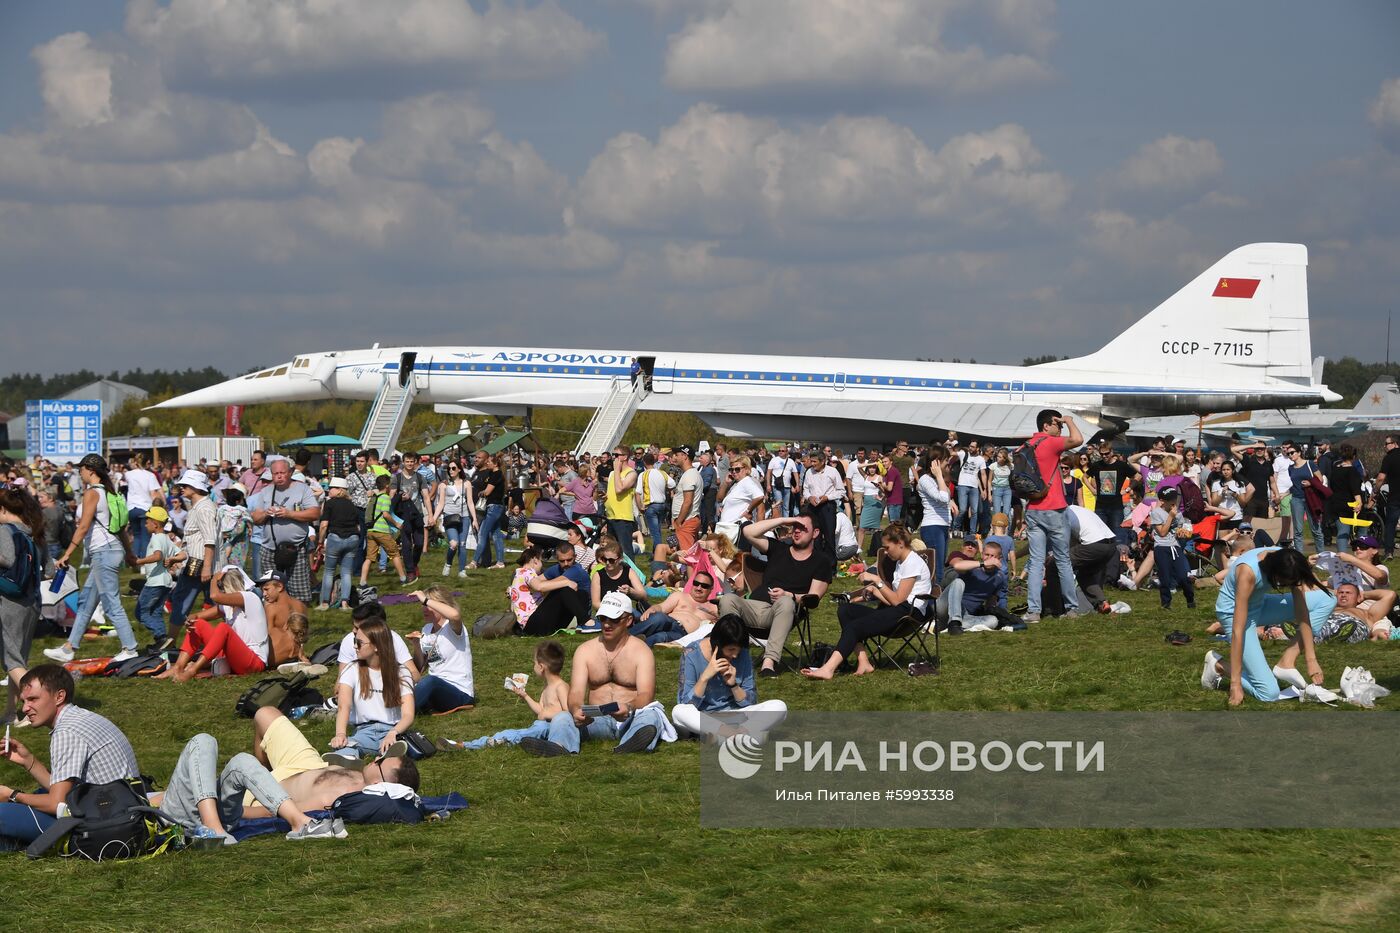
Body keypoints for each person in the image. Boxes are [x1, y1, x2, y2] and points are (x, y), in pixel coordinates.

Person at [0, 665, 142, 849]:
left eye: (33, 699)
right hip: (119, 810)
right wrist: (28, 760)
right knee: (36, 797)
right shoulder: (79, 718)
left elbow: (56, 803)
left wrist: (12, 795)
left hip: (103, 824)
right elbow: (61, 792)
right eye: (23, 701)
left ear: (59, 696)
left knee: (8, 810)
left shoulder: (67, 731)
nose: (25, 708)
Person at [520, 598, 669, 757]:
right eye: (603, 618)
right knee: (563, 716)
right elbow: (576, 692)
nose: (606, 624)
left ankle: (630, 744)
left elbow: (646, 694)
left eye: (614, 619)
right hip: (596, 719)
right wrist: (576, 709)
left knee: (651, 716)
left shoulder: (642, 651)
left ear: (629, 620)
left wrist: (629, 706)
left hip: (631, 716)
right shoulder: (585, 651)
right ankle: (559, 746)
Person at [153, 732, 346, 844]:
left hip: (222, 819)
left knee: (242, 761)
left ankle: (300, 823)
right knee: (203, 740)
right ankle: (213, 828)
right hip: (175, 819)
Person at [43, 454, 140, 664]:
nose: (80, 472)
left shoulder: (92, 493)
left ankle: (130, 648)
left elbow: (84, 526)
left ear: (90, 470)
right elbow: (121, 529)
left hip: (103, 553)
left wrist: (67, 553)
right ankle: (69, 648)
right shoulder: (109, 492)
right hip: (110, 551)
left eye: (81, 469)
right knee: (86, 602)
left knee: (112, 602)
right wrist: (129, 553)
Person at [802, 523, 931, 679]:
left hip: (910, 614)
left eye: (887, 547)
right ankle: (863, 662)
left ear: (900, 544)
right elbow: (893, 601)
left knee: (855, 626)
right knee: (846, 610)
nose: (885, 551)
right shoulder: (901, 563)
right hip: (898, 609)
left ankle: (828, 668)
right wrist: (876, 590)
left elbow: (898, 600)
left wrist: (877, 580)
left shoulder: (913, 562)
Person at [1202, 547, 1330, 705]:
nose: (1288, 586)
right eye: (1285, 583)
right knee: (1269, 693)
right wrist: (1235, 684)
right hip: (1233, 613)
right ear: (1275, 572)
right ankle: (1219, 665)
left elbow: (1301, 611)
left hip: (1261, 604)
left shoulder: (1290, 561)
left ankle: (1287, 662)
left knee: (1327, 600)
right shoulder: (1247, 572)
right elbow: (1238, 630)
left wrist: (1311, 659)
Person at [245, 707, 417, 818]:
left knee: (241, 766)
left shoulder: (339, 799)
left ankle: (260, 777)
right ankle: (263, 770)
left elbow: (279, 811)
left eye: (380, 763)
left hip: (273, 789)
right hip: (309, 764)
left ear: (379, 783)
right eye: (383, 757)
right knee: (265, 714)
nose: (377, 758)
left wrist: (232, 813)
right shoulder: (364, 779)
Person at [717, 513, 834, 677]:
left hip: (784, 611)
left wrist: (789, 595)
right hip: (754, 607)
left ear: (815, 533)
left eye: (802, 528)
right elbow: (748, 532)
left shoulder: (820, 561)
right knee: (728, 599)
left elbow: (814, 598)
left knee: (785, 602)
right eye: (795, 527)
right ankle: (731, 659)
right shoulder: (779, 548)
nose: (797, 531)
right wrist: (783, 520)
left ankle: (769, 663)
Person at [672, 614, 788, 740]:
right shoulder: (691, 653)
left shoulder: (742, 654)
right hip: (703, 716)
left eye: (738, 650)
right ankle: (737, 736)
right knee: (679, 711)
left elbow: (751, 701)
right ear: (716, 644)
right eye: (731, 649)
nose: (735, 655)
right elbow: (686, 702)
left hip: (734, 716)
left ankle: (728, 736)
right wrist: (704, 677)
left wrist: (733, 685)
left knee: (779, 706)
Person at [439, 641, 570, 751]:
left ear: (541, 667)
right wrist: (525, 696)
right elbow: (540, 711)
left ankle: (468, 745)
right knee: (518, 733)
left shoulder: (561, 687)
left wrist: (547, 713)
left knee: (516, 734)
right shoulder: (547, 688)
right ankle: (488, 742)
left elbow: (568, 715)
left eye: (534, 663)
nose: (533, 666)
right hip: (541, 726)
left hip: (550, 729)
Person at [1021, 411, 1085, 623]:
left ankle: (1033, 611)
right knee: (1063, 559)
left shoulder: (1027, 445)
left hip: (1032, 508)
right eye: (1057, 425)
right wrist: (1069, 421)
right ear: (1047, 425)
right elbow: (1078, 439)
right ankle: (1071, 608)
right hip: (1054, 508)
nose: (1060, 429)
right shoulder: (1050, 442)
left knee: (1036, 561)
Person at [156, 567, 271, 681]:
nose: (220, 590)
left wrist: (213, 580)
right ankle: (178, 667)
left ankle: (192, 670)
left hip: (254, 662)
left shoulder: (250, 598)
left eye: (221, 587)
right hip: (234, 659)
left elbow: (215, 596)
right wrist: (190, 620)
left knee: (223, 628)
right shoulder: (227, 605)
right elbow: (196, 617)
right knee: (198, 624)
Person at [330, 617, 416, 760]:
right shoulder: (352, 669)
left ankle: (388, 757)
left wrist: (393, 733)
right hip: (363, 731)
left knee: (394, 747)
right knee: (347, 748)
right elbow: (343, 706)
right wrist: (340, 734)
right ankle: (348, 760)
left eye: (359, 643)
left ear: (376, 646)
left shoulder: (401, 672)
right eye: (354, 641)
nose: (355, 646)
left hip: (394, 730)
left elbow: (408, 715)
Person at [0, 488, 50, 725]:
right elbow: (48, 570)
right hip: (32, 601)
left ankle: (41, 704)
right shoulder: (35, 533)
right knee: (18, 659)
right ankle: (12, 712)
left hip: (10, 602)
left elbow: (7, 559)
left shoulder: (5, 531)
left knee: (11, 660)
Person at [249, 459, 320, 603]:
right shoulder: (266, 492)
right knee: (271, 592)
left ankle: (297, 622)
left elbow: (315, 513)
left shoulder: (302, 489)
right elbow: (255, 518)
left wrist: (289, 514)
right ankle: (276, 622)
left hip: (296, 547)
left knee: (299, 593)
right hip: (270, 548)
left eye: (282, 473)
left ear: (290, 473)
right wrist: (266, 514)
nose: (279, 476)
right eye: (276, 474)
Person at [406, 587, 476, 714]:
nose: (424, 609)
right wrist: (416, 645)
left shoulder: (451, 627)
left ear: (441, 605)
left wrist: (425, 599)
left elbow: (455, 615)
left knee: (430, 681)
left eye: (427, 604)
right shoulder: (426, 630)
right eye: (422, 605)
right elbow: (422, 665)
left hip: (459, 692)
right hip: (435, 690)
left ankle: (401, 714)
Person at [936, 538, 1011, 632]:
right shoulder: (973, 567)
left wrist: (995, 611)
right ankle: (954, 623)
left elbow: (992, 600)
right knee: (958, 582)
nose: (989, 558)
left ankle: (948, 623)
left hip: (965, 614)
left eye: (993, 556)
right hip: (945, 606)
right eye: (987, 555)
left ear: (999, 559)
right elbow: (957, 566)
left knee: (993, 621)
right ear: (982, 555)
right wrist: (983, 563)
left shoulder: (1000, 577)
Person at [128, 505, 178, 646]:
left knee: (141, 613)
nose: (145, 524)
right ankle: (162, 642)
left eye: (147, 521)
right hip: (166, 582)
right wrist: (174, 560)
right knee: (155, 612)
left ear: (155, 524)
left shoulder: (156, 539)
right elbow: (182, 553)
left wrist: (139, 561)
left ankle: (161, 637)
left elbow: (157, 556)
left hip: (155, 582)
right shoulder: (167, 538)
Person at [522, 542, 592, 636]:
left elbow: (539, 586)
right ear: (557, 558)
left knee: (564, 590)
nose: (566, 564)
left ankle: (587, 622)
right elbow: (536, 582)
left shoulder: (576, 571)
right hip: (560, 616)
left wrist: (543, 586)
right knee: (562, 588)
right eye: (562, 561)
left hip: (575, 615)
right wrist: (566, 582)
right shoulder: (556, 569)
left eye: (569, 560)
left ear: (575, 557)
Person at [315, 477, 361, 611]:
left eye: (331, 488)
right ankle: (345, 603)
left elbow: (324, 525)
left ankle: (324, 603)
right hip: (353, 538)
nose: (329, 490)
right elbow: (358, 526)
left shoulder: (330, 503)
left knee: (329, 571)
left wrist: (320, 541)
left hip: (335, 538)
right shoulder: (352, 504)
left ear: (340, 490)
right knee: (346, 572)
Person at [1149, 487, 1196, 611]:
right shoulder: (1156, 513)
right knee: (1165, 577)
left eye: (1175, 499)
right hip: (1161, 547)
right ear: (1162, 501)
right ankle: (1166, 604)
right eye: (1170, 500)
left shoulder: (1178, 514)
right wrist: (1170, 516)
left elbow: (1181, 530)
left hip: (1175, 547)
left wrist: (1183, 533)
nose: (1173, 502)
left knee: (1183, 577)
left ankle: (1190, 598)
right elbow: (1162, 533)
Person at [1067, 504, 1118, 614]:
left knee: (1056, 565)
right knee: (1085, 574)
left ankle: (1054, 607)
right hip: (1112, 545)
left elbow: (1068, 544)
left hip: (1094, 545)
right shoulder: (1078, 509)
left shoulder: (1062, 514)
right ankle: (1102, 603)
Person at [360, 473, 407, 586]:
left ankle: (362, 582)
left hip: (371, 530)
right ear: (386, 486)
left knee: (369, 558)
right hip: (381, 531)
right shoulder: (385, 498)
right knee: (394, 553)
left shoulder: (374, 497)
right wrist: (396, 524)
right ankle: (403, 579)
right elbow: (385, 514)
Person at [437, 459, 477, 578]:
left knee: (462, 544)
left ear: (459, 469)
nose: (451, 470)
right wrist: (434, 518)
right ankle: (448, 564)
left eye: (453, 468)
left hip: (464, 517)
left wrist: (474, 518)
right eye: (449, 468)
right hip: (449, 517)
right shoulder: (444, 484)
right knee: (454, 543)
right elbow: (440, 503)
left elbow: (470, 502)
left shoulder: (467, 484)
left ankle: (462, 571)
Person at [916, 450, 953, 573]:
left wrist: (940, 477)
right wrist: (938, 476)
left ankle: (938, 590)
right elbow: (943, 498)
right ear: (936, 462)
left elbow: (947, 496)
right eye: (946, 460)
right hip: (933, 527)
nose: (948, 463)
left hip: (942, 525)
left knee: (940, 565)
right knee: (936, 569)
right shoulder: (925, 480)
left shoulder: (938, 479)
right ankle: (935, 591)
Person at [801, 451, 842, 560]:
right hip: (813, 507)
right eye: (811, 461)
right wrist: (809, 497)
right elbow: (805, 489)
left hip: (827, 507)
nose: (812, 464)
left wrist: (827, 497)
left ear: (823, 461)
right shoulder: (809, 472)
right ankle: (817, 563)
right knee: (815, 537)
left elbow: (841, 491)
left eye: (815, 461)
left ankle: (831, 566)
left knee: (829, 536)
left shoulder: (832, 472)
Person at [470, 451, 508, 569]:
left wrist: (481, 492)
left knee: (482, 533)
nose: (487, 464)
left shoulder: (496, 475)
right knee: (496, 535)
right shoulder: (494, 474)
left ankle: (474, 562)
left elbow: (487, 491)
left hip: (493, 508)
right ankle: (500, 562)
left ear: (495, 464)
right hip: (495, 507)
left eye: (489, 462)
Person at [1324, 443, 1364, 553]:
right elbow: (1355, 489)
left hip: (1336, 503)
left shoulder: (1335, 469)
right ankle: (1361, 552)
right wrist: (1359, 502)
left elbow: (1331, 486)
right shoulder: (1352, 471)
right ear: (1354, 457)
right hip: (1349, 503)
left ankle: (1341, 555)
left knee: (1342, 531)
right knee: (1362, 528)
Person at [123, 454, 164, 560]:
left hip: (132, 508)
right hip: (145, 507)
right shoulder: (150, 476)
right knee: (146, 537)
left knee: (136, 535)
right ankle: (143, 560)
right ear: (147, 463)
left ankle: (134, 558)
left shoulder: (128, 474)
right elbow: (154, 493)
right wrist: (163, 504)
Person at [602, 449, 639, 559]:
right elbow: (612, 492)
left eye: (617, 455)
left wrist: (617, 470)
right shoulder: (613, 473)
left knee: (625, 550)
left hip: (623, 517)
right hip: (611, 516)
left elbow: (619, 489)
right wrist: (605, 497)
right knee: (611, 551)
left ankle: (630, 574)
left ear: (625, 456)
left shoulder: (631, 473)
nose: (614, 457)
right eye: (613, 455)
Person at [670, 447, 703, 553]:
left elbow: (688, 502)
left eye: (677, 454)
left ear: (685, 456)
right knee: (688, 554)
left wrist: (679, 522)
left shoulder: (690, 475)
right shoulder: (690, 474)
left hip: (687, 521)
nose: (674, 457)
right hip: (687, 520)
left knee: (687, 556)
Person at [954, 440, 988, 538]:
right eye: (970, 446)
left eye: (973, 447)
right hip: (962, 485)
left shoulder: (981, 459)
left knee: (974, 511)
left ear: (977, 448)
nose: (970, 448)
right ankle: (956, 528)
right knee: (963, 509)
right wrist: (950, 443)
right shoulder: (963, 454)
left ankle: (972, 532)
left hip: (974, 487)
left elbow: (983, 474)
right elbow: (951, 452)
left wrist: (984, 489)